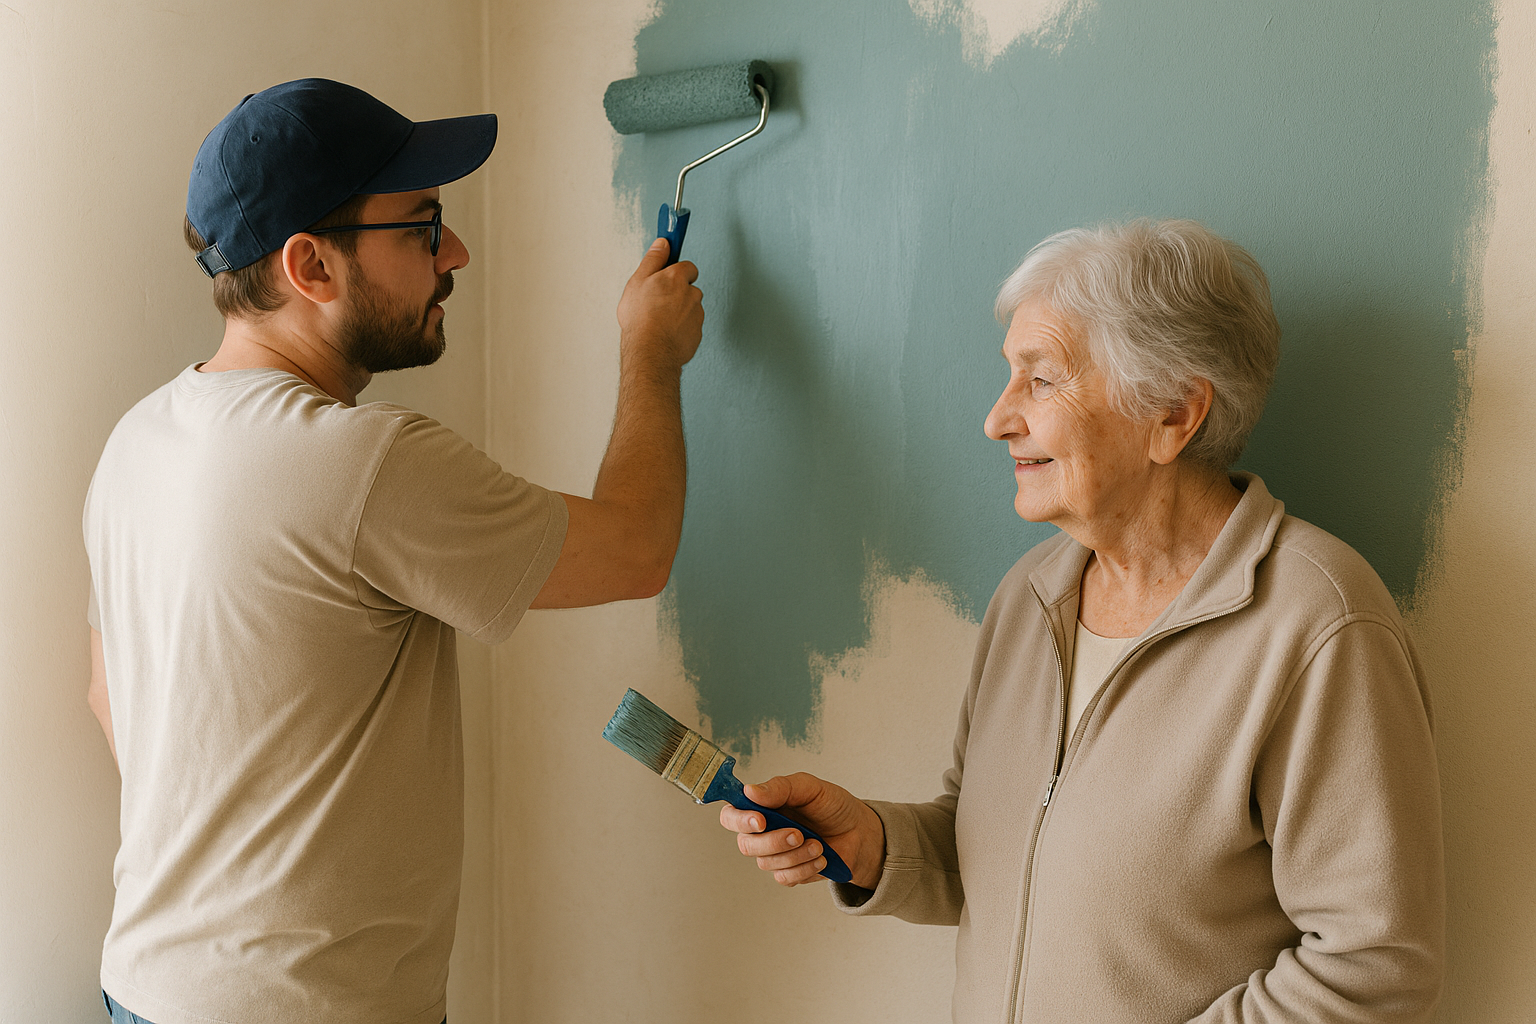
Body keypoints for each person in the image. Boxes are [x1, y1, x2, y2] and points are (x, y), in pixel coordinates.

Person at [82, 78, 703, 1024]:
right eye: (422, 227)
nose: (456, 252)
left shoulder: (138, 440)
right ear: (311, 266)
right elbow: (635, 551)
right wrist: (649, 352)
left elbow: (107, 696)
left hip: (145, 985)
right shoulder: (360, 462)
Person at [720, 220, 1444, 1022]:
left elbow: (1373, 964)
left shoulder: (1316, 623)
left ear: (1172, 413)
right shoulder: (1030, 598)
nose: (997, 420)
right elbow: (999, 858)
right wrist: (872, 844)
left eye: (1041, 381)